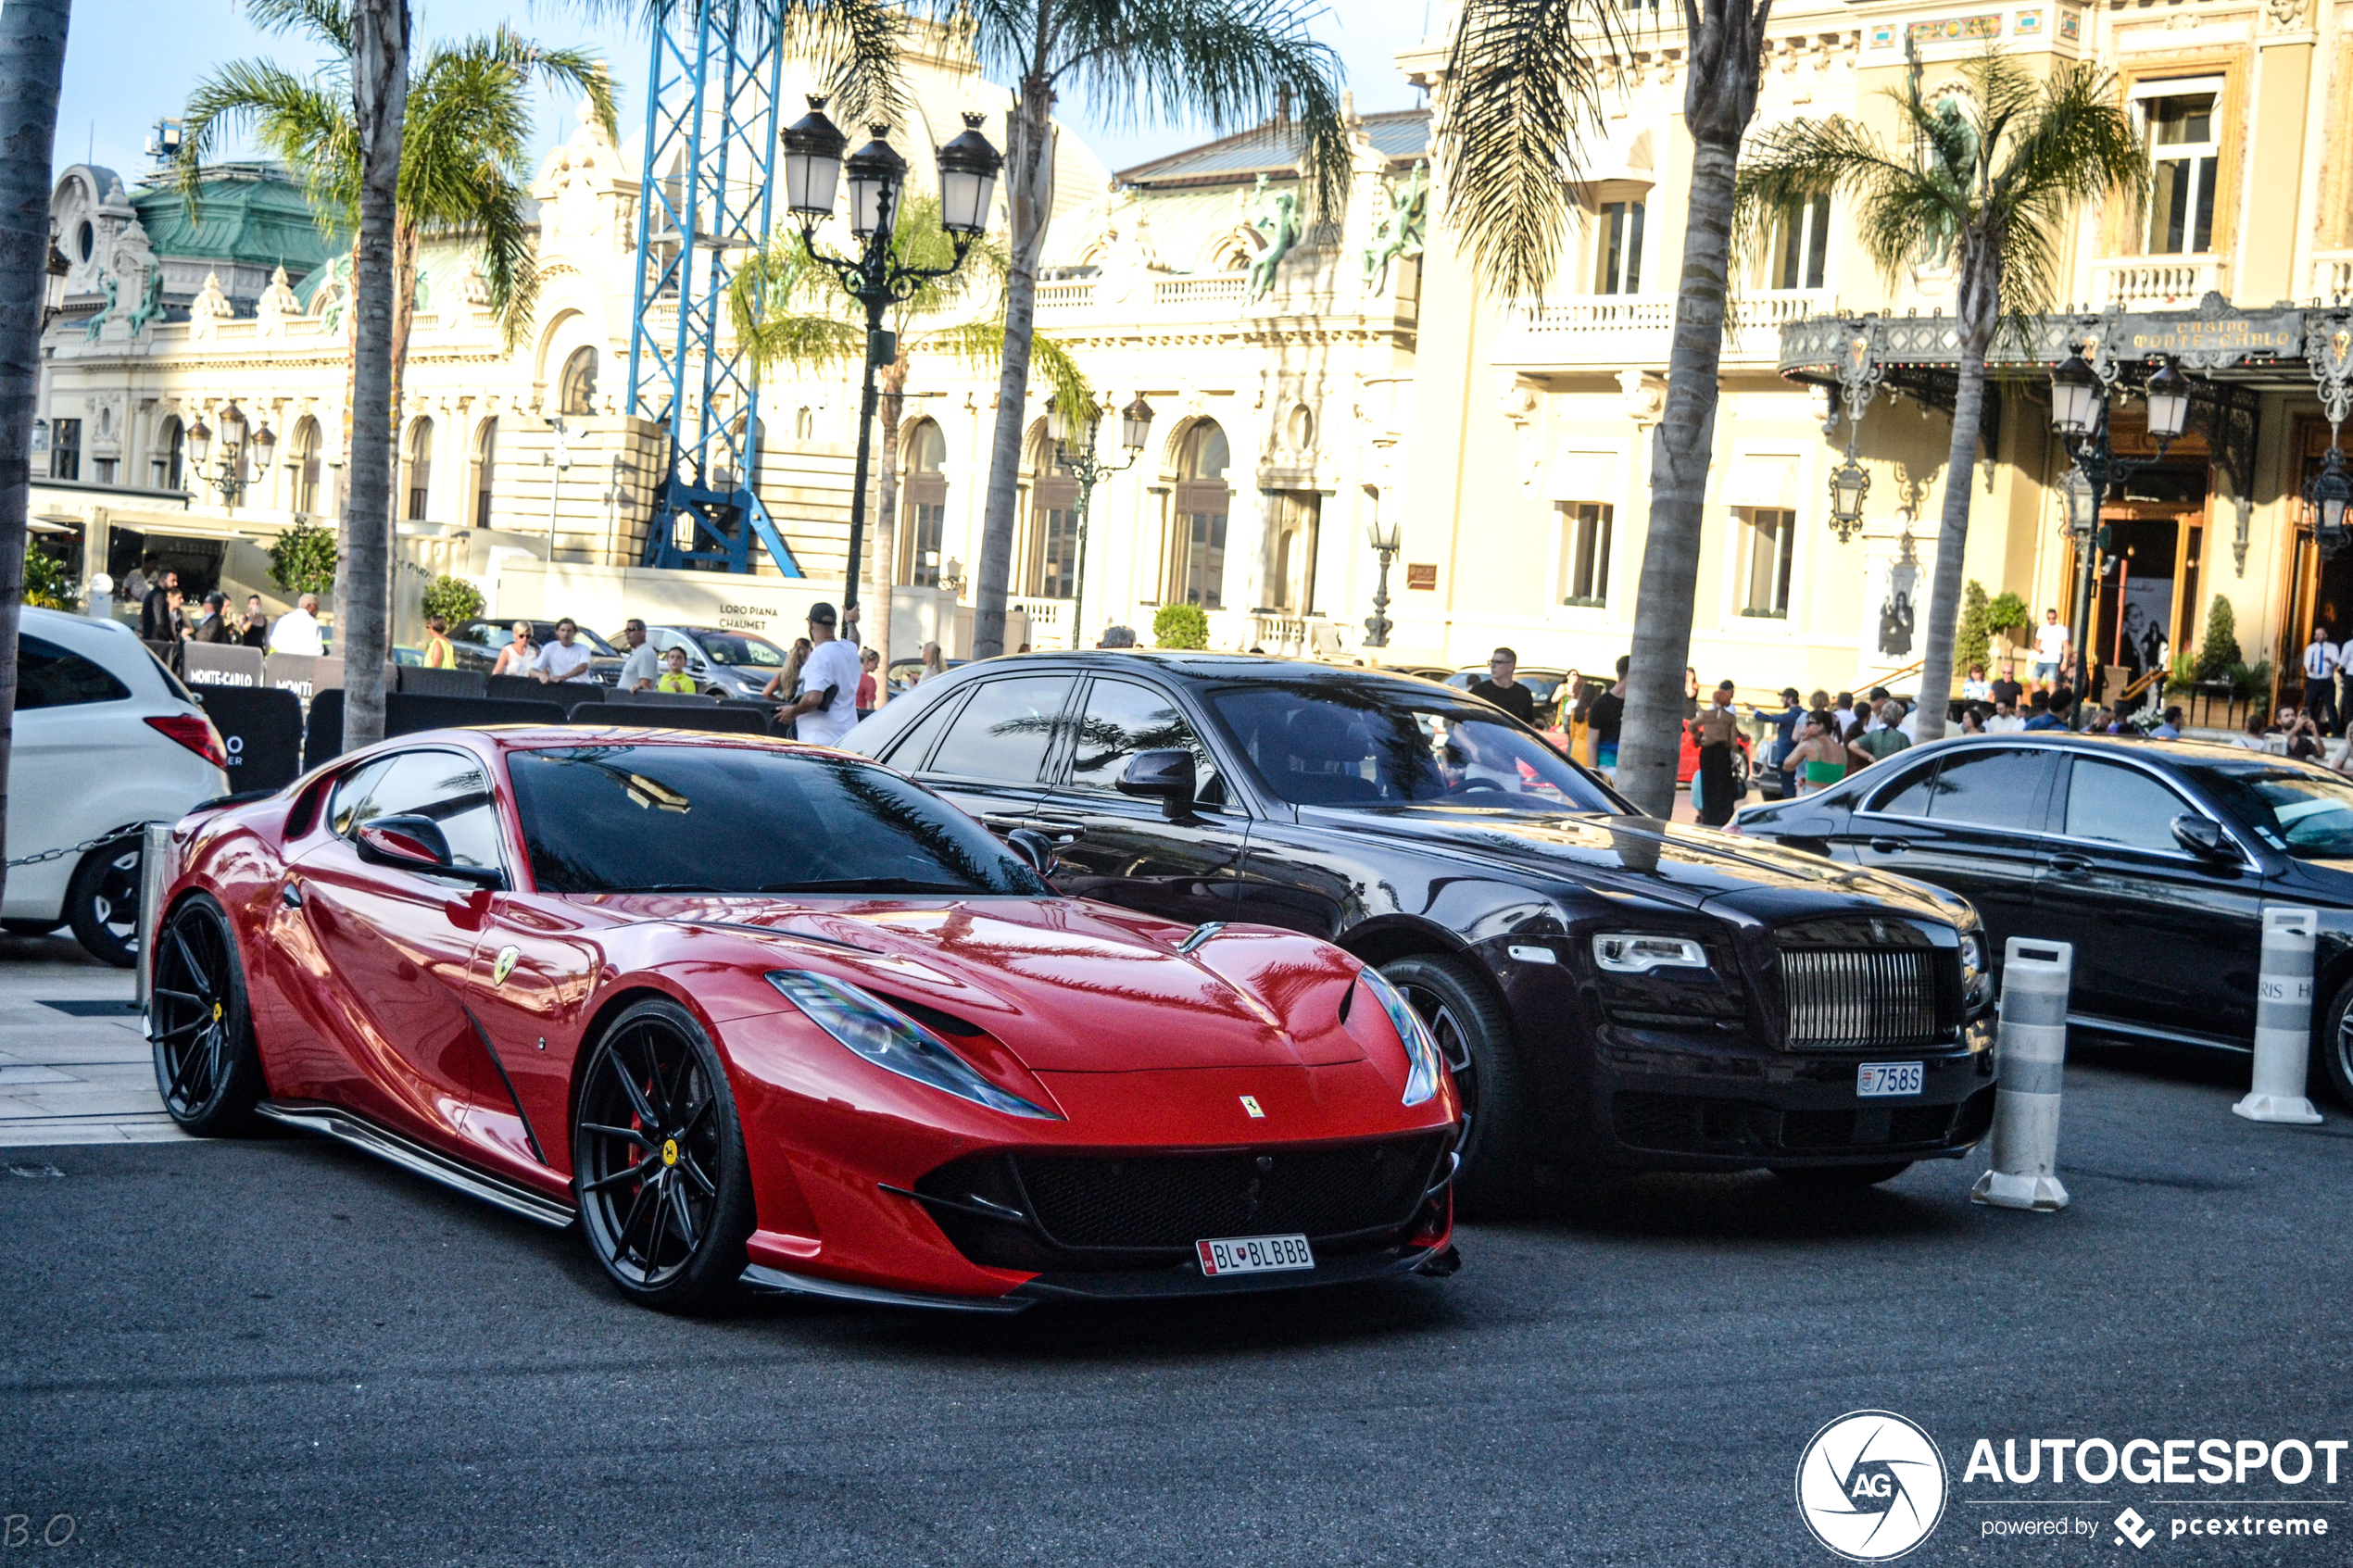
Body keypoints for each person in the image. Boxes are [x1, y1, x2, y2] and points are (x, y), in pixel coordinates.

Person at [781, 601, 863, 746]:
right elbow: (854, 641)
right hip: (847, 738)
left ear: (810, 625)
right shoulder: (848, 650)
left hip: (819, 740)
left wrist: (793, 712)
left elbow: (813, 699)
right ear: (834, 626)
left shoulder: (820, 655)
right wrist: (851, 622)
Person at [1690, 681, 1742, 826]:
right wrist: (1736, 753)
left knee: (1708, 783)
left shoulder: (1706, 715)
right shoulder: (1730, 718)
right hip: (1722, 752)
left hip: (1707, 752)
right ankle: (1722, 816)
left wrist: (1700, 737)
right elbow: (1732, 740)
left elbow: (1691, 725)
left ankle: (1708, 815)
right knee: (1723, 784)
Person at [1467, 646, 1536, 724]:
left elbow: (1529, 725)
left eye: (1498, 662)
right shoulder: (1479, 691)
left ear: (1511, 666)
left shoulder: (1523, 693)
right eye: (1492, 662)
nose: (1493, 666)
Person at [1755, 686, 1805, 796]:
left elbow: (1769, 719)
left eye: (1783, 698)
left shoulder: (1791, 715)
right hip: (1802, 758)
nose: (1781, 700)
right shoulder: (1805, 714)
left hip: (1786, 757)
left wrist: (1755, 712)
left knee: (1788, 789)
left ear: (1790, 699)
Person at [1787, 712, 1848, 797]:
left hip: (1811, 797)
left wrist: (1802, 741)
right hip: (1834, 798)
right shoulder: (1842, 750)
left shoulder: (1808, 745)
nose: (1805, 727)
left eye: (1809, 724)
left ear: (1821, 726)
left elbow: (1787, 766)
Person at [1588, 655, 1629, 776]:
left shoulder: (1639, 705)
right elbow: (1591, 743)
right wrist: (1594, 776)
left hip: (1631, 769)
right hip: (1606, 769)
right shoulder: (1600, 704)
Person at [530, 617, 597, 684]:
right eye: (562, 630)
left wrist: (563, 677)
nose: (566, 634)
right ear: (557, 632)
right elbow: (532, 671)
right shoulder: (549, 647)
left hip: (581, 687)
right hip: (560, 687)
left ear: (575, 633)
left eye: (569, 631)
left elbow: (583, 667)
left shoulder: (583, 649)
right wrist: (541, 676)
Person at [1846, 699, 1912, 767]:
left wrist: (1870, 757)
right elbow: (1909, 758)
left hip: (1879, 770)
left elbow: (1852, 745)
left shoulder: (1875, 734)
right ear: (1898, 718)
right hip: (1895, 770)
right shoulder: (1902, 737)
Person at [2304, 624, 2340, 734]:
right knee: (2310, 706)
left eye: (2321, 634)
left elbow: (2337, 662)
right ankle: (2308, 730)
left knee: (2330, 707)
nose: (2318, 636)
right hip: (2313, 680)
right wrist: (2309, 667)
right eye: (2316, 634)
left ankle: (2335, 731)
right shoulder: (2310, 648)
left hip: (2327, 681)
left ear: (2326, 635)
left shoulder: (2332, 647)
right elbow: (2306, 662)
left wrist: (2330, 661)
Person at [269, 593, 326, 657]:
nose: (317, 611)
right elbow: (317, 651)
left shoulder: (284, 619)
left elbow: (273, 642)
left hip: (283, 662)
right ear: (311, 606)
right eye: (317, 608)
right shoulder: (313, 624)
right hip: (303, 664)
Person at [616, 618, 660, 693]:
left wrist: (639, 687)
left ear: (643, 632)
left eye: (632, 629)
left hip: (633, 702)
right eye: (626, 630)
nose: (628, 633)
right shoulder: (638, 652)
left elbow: (645, 685)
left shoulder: (646, 653)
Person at [138, 568, 180, 643]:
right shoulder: (158, 595)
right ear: (162, 580)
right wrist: (168, 638)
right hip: (156, 641)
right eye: (173, 581)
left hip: (153, 639)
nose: (176, 584)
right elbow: (159, 621)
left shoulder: (157, 594)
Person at [2032, 608, 2069, 689]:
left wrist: (2064, 661)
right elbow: (2037, 643)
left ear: (2056, 617)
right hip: (2041, 660)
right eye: (2049, 618)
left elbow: (2066, 645)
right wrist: (2038, 648)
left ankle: (2050, 701)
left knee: (2051, 683)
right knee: (2034, 681)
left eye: (2053, 618)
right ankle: (2039, 699)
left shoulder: (2061, 629)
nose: (2051, 620)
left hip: (2053, 661)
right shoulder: (2042, 628)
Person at [856, 646, 881, 719]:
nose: (877, 667)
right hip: (863, 714)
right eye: (875, 664)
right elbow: (870, 705)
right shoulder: (869, 680)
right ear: (867, 662)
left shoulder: (852, 677)